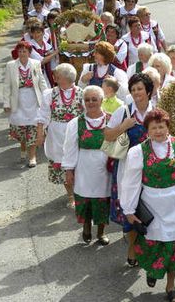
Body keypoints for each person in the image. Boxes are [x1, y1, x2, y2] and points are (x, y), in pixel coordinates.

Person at [121, 108, 175, 300]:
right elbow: (130, 183)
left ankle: (171, 286)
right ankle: (152, 269)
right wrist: (129, 209)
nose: (158, 131)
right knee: (152, 243)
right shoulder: (138, 152)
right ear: (147, 130)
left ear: (168, 127)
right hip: (152, 204)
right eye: (153, 127)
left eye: (161, 127)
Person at [105, 73, 155, 267]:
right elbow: (107, 136)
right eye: (133, 90)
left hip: (151, 170)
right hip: (127, 170)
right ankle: (132, 247)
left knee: (152, 211)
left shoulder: (156, 112)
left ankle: (148, 250)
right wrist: (123, 126)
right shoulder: (123, 112)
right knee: (131, 210)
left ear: (149, 91)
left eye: (140, 89)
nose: (136, 93)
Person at [62, 85, 111, 245]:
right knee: (86, 199)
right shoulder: (76, 123)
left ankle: (101, 232)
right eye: (87, 99)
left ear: (102, 100)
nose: (90, 102)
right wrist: (69, 170)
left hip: (105, 168)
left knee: (103, 200)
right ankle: (86, 226)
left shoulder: (111, 120)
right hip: (84, 166)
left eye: (94, 99)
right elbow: (69, 148)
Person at [36, 63, 84, 208]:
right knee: (63, 165)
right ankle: (70, 195)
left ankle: (80, 192)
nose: (54, 78)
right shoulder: (50, 93)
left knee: (79, 164)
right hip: (57, 135)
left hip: (76, 133)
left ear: (67, 79)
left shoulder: (82, 93)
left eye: (58, 76)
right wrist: (40, 133)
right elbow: (43, 114)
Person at [3, 41, 48, 168]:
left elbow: (42, 82)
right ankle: (23, 149)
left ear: (29, 52)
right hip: (18, 101)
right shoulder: (11, 65)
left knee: (33, 128)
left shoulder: (36, 63)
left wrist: (46, 98)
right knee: (21, 129)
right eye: (20, 51)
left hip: (33, 100)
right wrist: (6, 103)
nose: (22, 53)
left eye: (25, 51)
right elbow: (7, 86)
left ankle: (32, 157)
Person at [28, 20, 58, 87]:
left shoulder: (47, 45)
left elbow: (53, 64)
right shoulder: (30, 46)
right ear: (31, 34)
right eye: (34, 33)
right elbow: (40, 61)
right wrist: (55, 53)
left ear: (43, 33)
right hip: (35, 76)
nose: (36, 35)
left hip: (47, 76)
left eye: (38, 32)